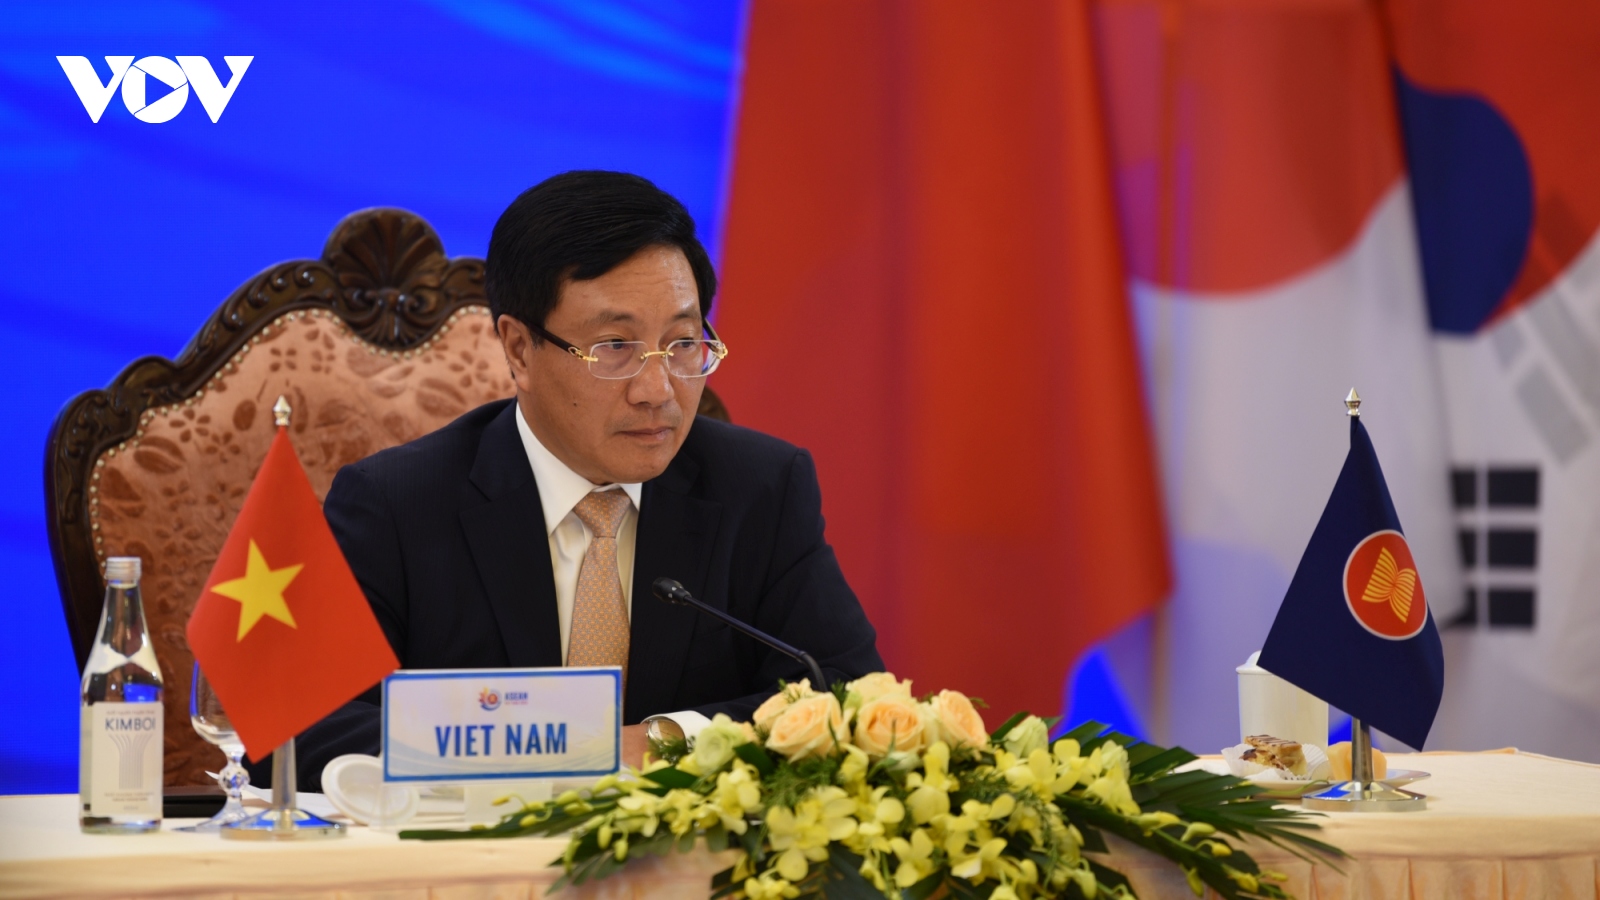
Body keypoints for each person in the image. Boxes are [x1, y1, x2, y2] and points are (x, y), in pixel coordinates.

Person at [280, 171, 883, 790]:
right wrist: (570, 748)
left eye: (682, 343)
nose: (658, 390)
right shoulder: (397, 505)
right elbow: (300, 729)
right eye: (615, 346)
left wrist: (665, 740)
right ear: (519, 350)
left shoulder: (760, 488)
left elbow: (850, 693)